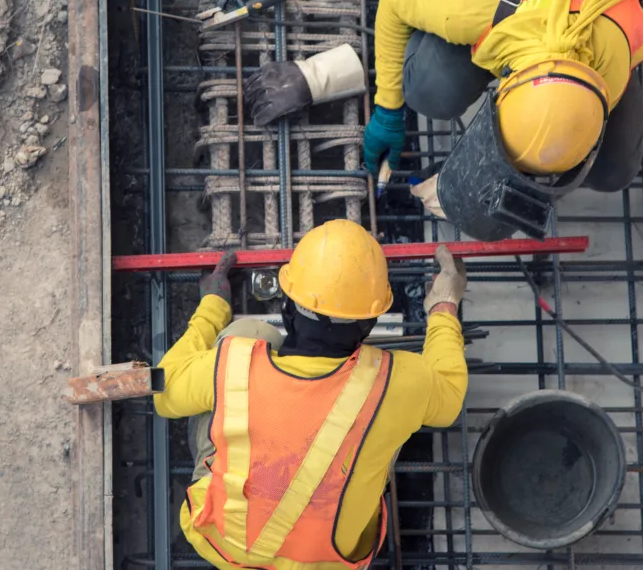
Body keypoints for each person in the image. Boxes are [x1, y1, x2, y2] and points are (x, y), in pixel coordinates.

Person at [153, 220, 469, 570]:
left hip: (227, 544)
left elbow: (164, 394)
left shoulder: (234, 366)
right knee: (386, 417)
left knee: (246, 332)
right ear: (368, 323)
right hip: (329, 562)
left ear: (288, 309)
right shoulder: (398, 380)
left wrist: (212, 305)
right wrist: (444, 305)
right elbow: (450, 397)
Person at [363, 0, 643, 239]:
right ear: (504, 88)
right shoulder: (470, 9)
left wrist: (472, 187)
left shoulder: (614, 62)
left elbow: (553, 139)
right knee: (428, 90)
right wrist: (388, 107)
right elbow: (392, 1)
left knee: (613, 172)